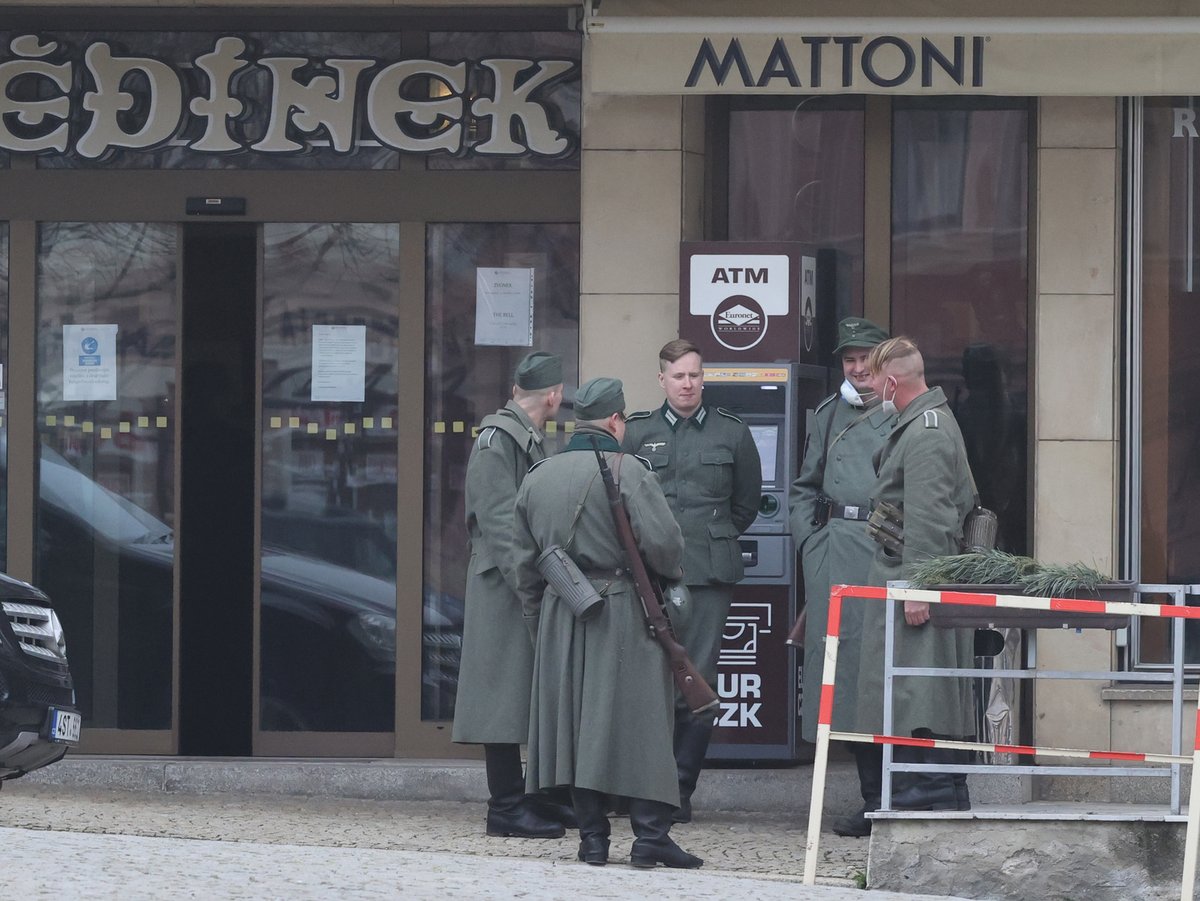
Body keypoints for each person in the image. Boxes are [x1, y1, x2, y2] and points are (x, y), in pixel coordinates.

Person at [513, 376, 702, 869]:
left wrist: (542, 621)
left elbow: (521, 563)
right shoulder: (628, 470)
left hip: (562, 611)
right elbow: (665, 547)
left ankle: (592, 841)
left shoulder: (539, 475)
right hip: (623, 608)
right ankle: (649, 838)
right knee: (641, 724)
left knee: (576, 729)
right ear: (617, 420)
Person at [622, 339, 761, 824]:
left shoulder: (732, 433)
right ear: (661, 379)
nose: (688, 384)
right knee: (646, 682)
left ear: (705, 378)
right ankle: (645, 785)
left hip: (707, 575)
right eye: (678, 376)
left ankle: (680, 791)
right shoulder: (638, 432)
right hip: (649, 577)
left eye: (695, 375)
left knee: (698, 680)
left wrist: (707, 541)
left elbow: (746, 505)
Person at [451, 350, 572, 839]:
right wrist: (530, 589)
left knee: (521, 694)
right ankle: (504, 808)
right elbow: (501, 525)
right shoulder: (499, 439)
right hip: (504, 586)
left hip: (515, 582)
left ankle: (527, 798)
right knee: (500, 699)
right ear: (554, 394)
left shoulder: (518, 437)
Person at [856, 336, 977, 812]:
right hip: (905, 572)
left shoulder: (925, 430)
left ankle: (923, 796)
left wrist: (917, 589)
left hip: (913, 577)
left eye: (873, 380)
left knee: (917, 694)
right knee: (912, 690)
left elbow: (929, 517)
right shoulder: (924, 422)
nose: (870, 389)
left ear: (891, 381)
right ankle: (924, 793)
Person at [788, 316, 894, 837]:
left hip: (886, 553)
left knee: (883, 672)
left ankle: (894, 798)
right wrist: (809, 542)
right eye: (849, 361)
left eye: (865, 360)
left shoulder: (906, 414)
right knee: (842, 674)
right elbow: (805, 486)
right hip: (834, 550)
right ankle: (870, 797)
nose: (857, 370)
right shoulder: (830, 415)